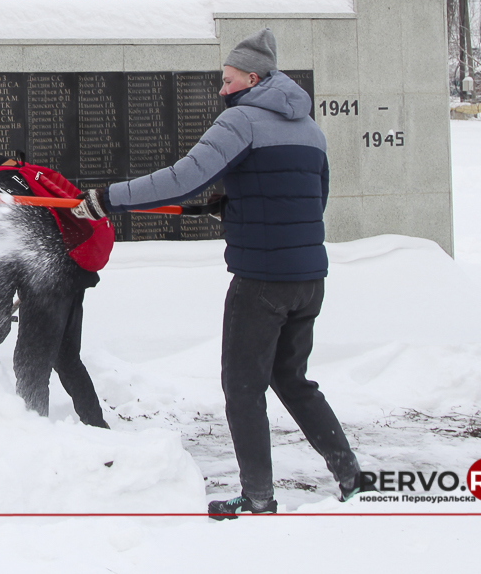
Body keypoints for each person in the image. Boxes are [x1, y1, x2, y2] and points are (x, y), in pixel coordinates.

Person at [85, 28, 364, 517]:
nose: (221, 89)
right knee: (292, 379)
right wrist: (234, 208)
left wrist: (108, 199)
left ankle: (257, 496)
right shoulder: (311, 129)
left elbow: (182, 177)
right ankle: (351, 476)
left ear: (252, 79)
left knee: (242, 386)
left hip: (260, 283)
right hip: (308, 280)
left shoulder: (241, 122)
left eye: (227, 80)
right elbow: (309, 203)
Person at [0, 150, 109, 428]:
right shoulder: (24, 177)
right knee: (67, 358)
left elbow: (4, 258)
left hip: (44, 283)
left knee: (30, 367)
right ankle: (97, 428)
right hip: (72, 274)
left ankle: (34, 440)